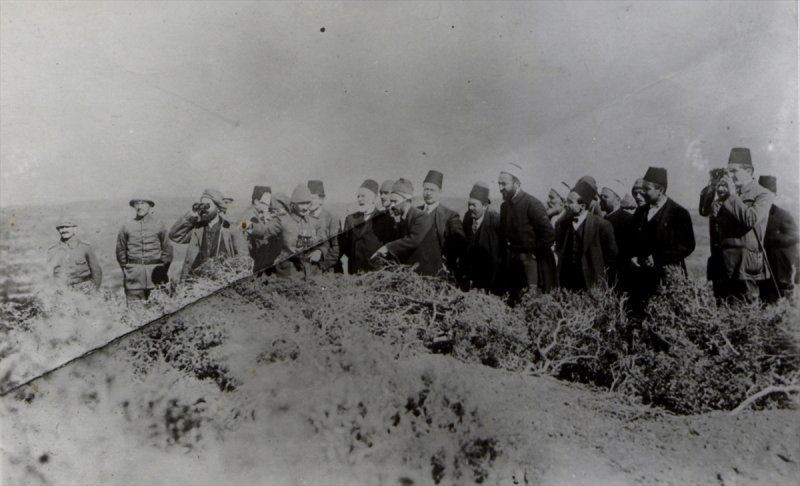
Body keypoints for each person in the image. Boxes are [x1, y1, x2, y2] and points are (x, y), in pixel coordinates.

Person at [703, 149, 774, 302]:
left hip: (745, 265)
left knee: (745, 312)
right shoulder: (727, 193)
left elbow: (750, 219)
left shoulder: (763, 194)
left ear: (748, 171)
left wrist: (732, 195)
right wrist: (712, 187)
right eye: (727, 172)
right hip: (723, 264)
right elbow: (705, 212)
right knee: (722, 312)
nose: (730, 176)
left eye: (734, 171)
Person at [629, 167, 695, 310]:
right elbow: (632, 238)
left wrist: (659, 257)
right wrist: (634, 255)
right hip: (642, 277)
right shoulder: (640, 212)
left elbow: (687, 245)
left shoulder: (679, 213)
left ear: (661, 190)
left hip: (668, 276)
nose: (643, 193)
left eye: (647, 189)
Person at [497, 162, 557, 302]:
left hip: (532, 271)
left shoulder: (532, 204)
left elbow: (549, 235)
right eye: (499, 183)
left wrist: (532, 251)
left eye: (504, 184)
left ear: (516, 183)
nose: (500, 188)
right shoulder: (504, 207)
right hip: (513, 270)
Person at [249, 184, 329, 279]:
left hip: (312, 273)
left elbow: (324, 242)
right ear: (293, 204)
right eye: (301, 203)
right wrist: (244, 225)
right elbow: (262, 231)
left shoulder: (315, 222)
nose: (305, 207)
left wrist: (319, 251)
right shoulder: (282, 220)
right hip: (289, 275)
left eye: (308, 203)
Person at [169, 188, 250, 282]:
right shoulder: (197, 229)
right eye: (201, 205)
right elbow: (175, 235)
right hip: (195, 281)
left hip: (221, 281)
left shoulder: (230, 229)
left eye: (208, 205)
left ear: (218, 207)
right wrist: (191, 215)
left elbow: (244, 258)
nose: (204, 209)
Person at [555, 181, 618, 291]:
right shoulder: (563, 224)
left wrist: (599, 273)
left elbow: (611, 255)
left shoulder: (601, 225)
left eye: (570, 202)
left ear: (582, 206)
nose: (566, 204)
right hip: (567, 281)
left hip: (591, 282)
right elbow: (560, 248)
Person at [372, 178, 442, 276]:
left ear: (407, 201)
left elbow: (413, 240)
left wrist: (386, 248)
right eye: (391, 201)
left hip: (429, 274)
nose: (392, 205)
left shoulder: (421, 217)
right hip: (414, 274)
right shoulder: (402, 220)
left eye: (395, 201)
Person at [115, 197, 173, 302]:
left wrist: (161, 271)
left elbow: (167, 251)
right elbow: (120, 252)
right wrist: (129, 270)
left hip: (156, 279)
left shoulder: (159, 225)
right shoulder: (127, 226)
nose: (139, 206)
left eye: (143, 203)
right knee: (135, 313)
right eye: (136, 203)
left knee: (160, 311)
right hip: (134, 280)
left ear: (150, 205)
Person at [339, 179, 395, 274]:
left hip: (376, 273)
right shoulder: (350, 219)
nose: (360, 199)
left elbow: (389, 248)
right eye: (358, 196)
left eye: (363, 196)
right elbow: (345, 246)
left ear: (374, 198)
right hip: (354, 271)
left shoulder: (386, 219)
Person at [758, 175, 798, 301]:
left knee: (774, 298)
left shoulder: (782, 214)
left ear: (774, 195)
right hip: (755, 265)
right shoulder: (752, 213)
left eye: (769, 194)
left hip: (776, 267)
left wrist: (771, 239)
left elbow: (795, 235)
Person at [418, 170, 465, 274]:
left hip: (438, 270)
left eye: (432, 190)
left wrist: (448, 264)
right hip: (415, 268)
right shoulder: (415, 212)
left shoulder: (450, 216)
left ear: (440, 191)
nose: (428, 193)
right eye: (426, 189)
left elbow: (459, 244)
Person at [460, 182, 502, 293]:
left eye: (474, 205)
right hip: (471, 278)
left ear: (484, 206)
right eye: (469, 204)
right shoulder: (467, 218)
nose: (470, 208)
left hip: (491, 277)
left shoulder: (496, 221)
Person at [46, 220, 103, 291]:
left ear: (74, 229)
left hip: (84, 289)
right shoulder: (52, 250)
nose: (64, 230)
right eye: (61, 228)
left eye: (67, 227)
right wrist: (53, 290)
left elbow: (96, 271)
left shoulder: (85, 248)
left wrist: (93, 290)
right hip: (61, 290)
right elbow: (48, 274)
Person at [240, 186, 281, 273]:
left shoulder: (251, 212)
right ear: (256, 202)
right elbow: (257, 232)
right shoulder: (251, 216)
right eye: (266, 204)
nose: (268, 207)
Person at [599, 184, 633, 289]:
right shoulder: (603, 219)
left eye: (606, 197)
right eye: (601, 196)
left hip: (619, 275)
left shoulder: (628, 219)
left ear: (617, 199)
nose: (602, 199)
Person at [308, 180, 341, 273]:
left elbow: (336, 249)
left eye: (313, 198)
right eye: (308, 198)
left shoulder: (331, 218)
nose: (310, 202)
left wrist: (321, 266)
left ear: (321, 200)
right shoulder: (303, 219)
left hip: (326, 270)